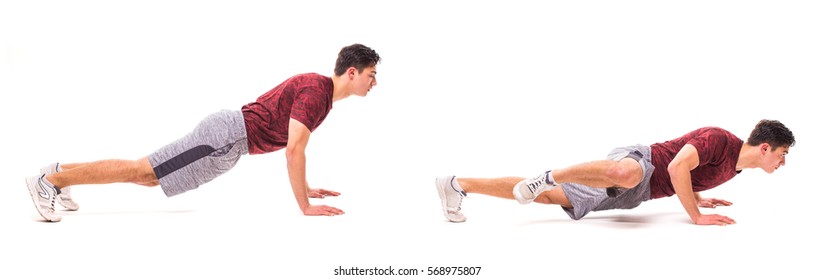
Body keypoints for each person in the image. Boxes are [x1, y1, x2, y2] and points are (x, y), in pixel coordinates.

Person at [26, 43, 380, 222]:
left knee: (148, 175)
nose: (374, 82)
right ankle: (50, 182)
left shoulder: (319, 92)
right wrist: (304, 205)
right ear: (352, 72)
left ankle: (59, 171)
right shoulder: (317, 92)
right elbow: (294, 151)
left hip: (228, 140)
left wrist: (305, 186)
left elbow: (291, 145)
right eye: (371, 74)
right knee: (143, 171)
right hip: (225, 138)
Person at [435, 120, 795, 226]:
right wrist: (696, 214)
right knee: (626, 172)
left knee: (542, 198)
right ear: (765, 147)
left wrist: (701, 194)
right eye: (782, 155)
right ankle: (550, 174)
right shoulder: (719, 139)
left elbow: (691, 175)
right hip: (645, 162)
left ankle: (455, 184)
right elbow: (675, 165)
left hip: (638, 195)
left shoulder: (736, 168)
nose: (782, 163)